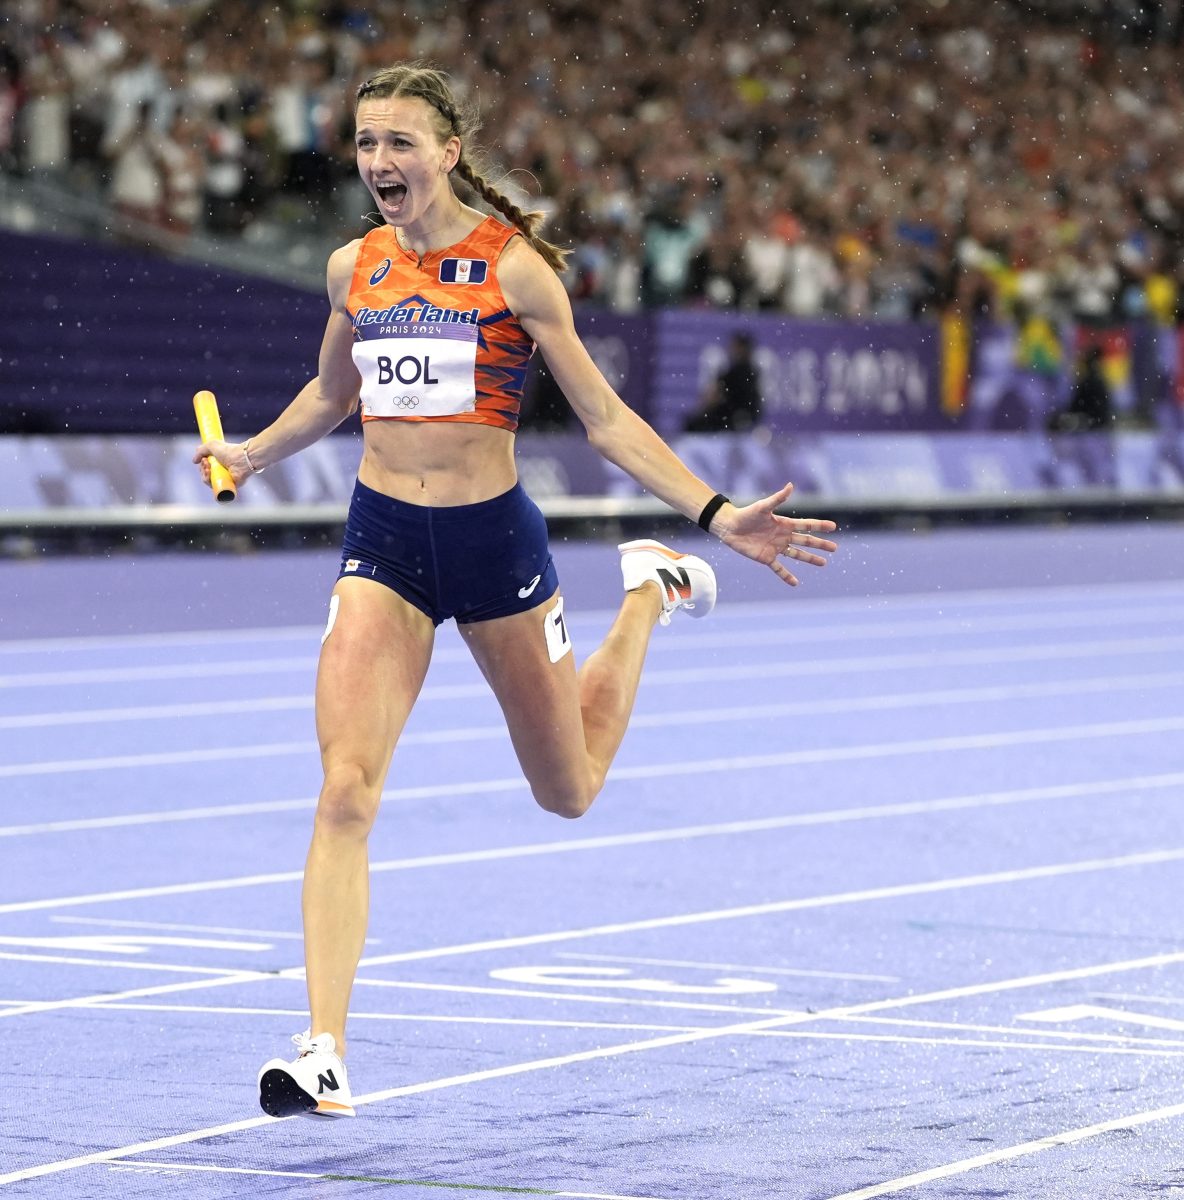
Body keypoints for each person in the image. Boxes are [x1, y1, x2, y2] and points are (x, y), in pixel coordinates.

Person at [191, 62, 838, 1120]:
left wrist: (717, 517)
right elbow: (332, 392)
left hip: (495, 548)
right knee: (346, 789)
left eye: (400, 141)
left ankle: (649, 594)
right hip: (385, 545)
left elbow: (607, 420)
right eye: (364, 143)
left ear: (449, 153)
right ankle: (323, 1049)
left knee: (568, 789)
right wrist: (252, 456)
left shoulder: (516, 271)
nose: (379, 162)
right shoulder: (353, 267)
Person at [683, 331, 764, 432]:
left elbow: (713, 397)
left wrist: (705, 410)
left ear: (742, 348)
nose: (732, 350)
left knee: (692, 424)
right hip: (742, 419)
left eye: (735, 347)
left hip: (729, 420)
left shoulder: (735, 373)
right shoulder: (752, 372)